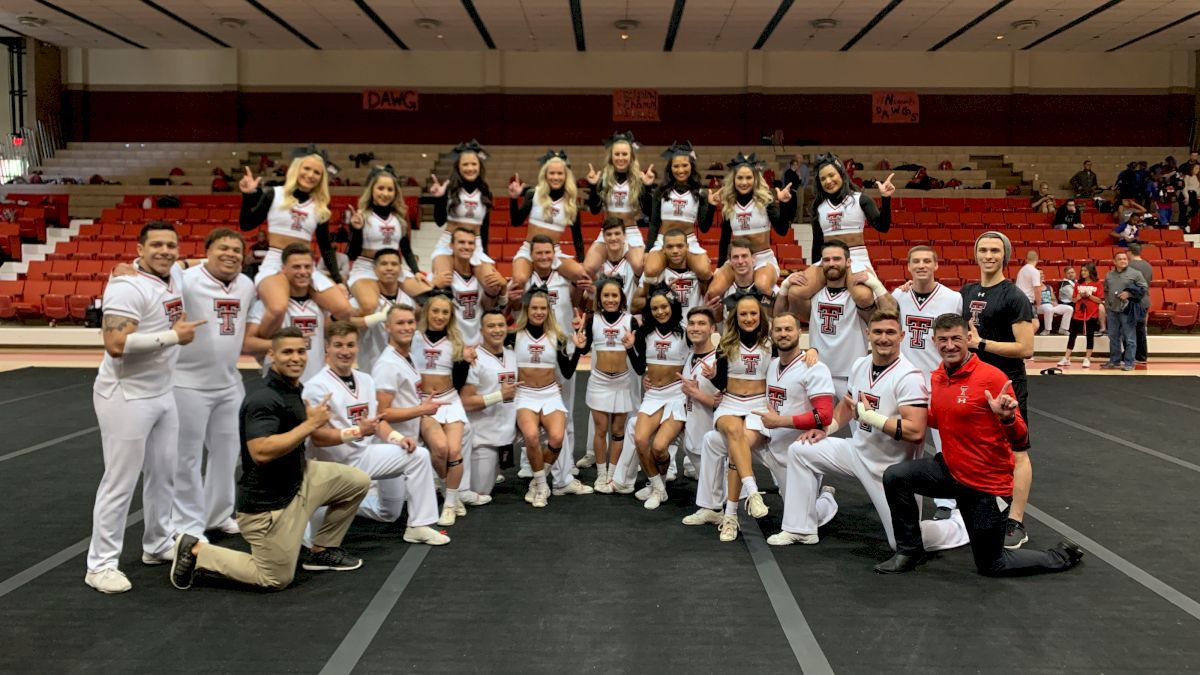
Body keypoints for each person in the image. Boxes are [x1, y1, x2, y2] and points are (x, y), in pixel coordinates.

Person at [875, 313, 1084, 576]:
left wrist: (1007, 418)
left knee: (992, 564)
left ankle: (1060, 556)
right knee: (897, 477)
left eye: (956, 339)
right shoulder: (939, 376)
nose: (949, 345)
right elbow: (942, 418)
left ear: (968, 339)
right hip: (951, 472)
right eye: (943, 340)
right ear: (933, 342)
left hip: (986, 486)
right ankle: (909, 551)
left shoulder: (991, 378)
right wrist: (899, 413)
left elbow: (1020, 439)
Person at [168, 328, 373, 592]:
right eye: (287, 352)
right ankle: (196, 550)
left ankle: (322, 550)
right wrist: (310, 425)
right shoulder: (264, 398)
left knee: (356, 481)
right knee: (275, 578)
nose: (296, 358)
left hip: (299, 480)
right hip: (268, 506)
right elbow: (261, 452)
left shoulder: (293, 388)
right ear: (271, 355)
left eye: (300, 351)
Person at [768, 310, 968, 552]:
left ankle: (958, 526)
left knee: (902, 541)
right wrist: (826, 430)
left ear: (902, 336)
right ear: (868, 334)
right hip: (857, 451)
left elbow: (915, 431)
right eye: (878, 332)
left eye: (890, 332)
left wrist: (871, 417)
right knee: (801, 449)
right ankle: (800, 529)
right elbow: (846, 403)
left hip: (890, 469)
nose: (883, 338)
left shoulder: (909, 376)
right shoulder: (861, 364)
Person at [85, 222, 205, 594]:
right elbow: (115, 343)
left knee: (163, 473)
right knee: (120, 481)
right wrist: (174, 336)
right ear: (139, 248)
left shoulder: (175, 276)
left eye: (171, 244)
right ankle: (100, 564)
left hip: (161, 392)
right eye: (156, 245)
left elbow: (188, 263)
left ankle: (157, 543)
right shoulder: (126, 285)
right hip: (126, 395)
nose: (165, 251)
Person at [302, 321, 449, 546]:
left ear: (357, 347)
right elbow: (318, 438)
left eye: (350, 345)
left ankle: (419, 526)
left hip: (362, 455)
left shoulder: (366, 380)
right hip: (331, 466)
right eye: (338, 345)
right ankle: (323, 508)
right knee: (311, 542)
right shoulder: (316, 386)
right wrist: (356, 431)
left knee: (417, 457)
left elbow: (377, 422)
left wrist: (398, 438)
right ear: (327, 348)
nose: (345, 351)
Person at [172, 229, 258, 541]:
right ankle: (187, 523)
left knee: (228, 451)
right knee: (187, 457)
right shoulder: (187, 279)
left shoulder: (246, 284)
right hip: (187, 382)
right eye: (223, 248)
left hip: (228, 382)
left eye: (237, 250)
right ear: (206, 250)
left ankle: (218, 514)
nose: (230, 254)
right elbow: (157, 271)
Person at [960, 231, 1035, 549]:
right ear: (975, 254)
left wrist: (982, 344)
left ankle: (1016, 522)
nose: (988, 255)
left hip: (1006, 384)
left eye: (994, 250)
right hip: (975, 383)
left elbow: (1026, 348)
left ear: (1005, 255)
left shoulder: (1014, 296)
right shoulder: (966, 291)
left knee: (1016, 452)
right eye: (983, 250)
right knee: (978, 450)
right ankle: (986, 510)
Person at [238, 147, 353, 338]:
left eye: (317, 172)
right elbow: (246, 224)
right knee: (277, 309)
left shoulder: (320, 206)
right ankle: (266, 347)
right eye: (306, 169)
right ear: (296, 168)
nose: (311, 175)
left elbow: (325, 246)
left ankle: (319, 342)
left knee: (345, 310)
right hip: (276, 262)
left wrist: (338, 280)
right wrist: (248, 195)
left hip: (306, 266)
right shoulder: (273, 194)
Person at [890, 245, 963, 520]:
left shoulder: (952, 298)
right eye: (916, 261)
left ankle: (947, 501)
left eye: (926, 261)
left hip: (939, 379)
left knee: (945, 441)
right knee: (901, 440)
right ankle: (899, 491)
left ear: (936, 265)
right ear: (908, 267)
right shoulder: (899, 295)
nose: (921, 265)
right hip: (906, 380)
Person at [699, 292, 774, 541]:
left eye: (753, 313)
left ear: (760, 315)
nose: (749, 317)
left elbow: (789, 360)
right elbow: (722, 383)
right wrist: (713, 377)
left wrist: (813, 350)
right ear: (736, 317)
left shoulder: (770, 342)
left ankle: (730, 515)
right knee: (733, 432)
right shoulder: (727, 342)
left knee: (736, 449)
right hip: (730, 403)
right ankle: (753, 493)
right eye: (743, 314)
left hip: (757, 405)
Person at [783, 153, 893, 311]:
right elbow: (817, 244)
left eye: (831, 175)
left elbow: (883, 227)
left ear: (841, 173)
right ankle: (820, 323)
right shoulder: (818, 207)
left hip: (855, 258)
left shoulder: (861, 199)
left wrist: (886, 199)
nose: (828, 181)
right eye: (823, 179)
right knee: (795, 293)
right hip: (828, 260)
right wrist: (814, 269)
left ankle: (864, 329)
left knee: (863, 296)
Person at [511, 288, 587, 508]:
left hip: (550, 394)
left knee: (556, 438)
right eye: (534, 308)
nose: (538, 312)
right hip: (525, 395)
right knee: (532, 436)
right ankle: (542, 485)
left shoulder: (559, 338)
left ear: (548, 310)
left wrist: (580, 351)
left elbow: (568, 372)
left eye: (543, 308)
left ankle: (537, 481)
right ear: (527, 309)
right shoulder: (514, 336)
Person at [411, 292, 476, 526]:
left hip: (450, 401)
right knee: (439, 449)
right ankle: (448, 486)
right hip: (425, 405)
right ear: (427, 313)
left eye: (445, 312)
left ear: (450, 317)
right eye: (435, 311)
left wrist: (464, 362)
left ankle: (450, 503)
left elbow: (458, 384)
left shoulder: (456, 342)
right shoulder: (414, 339)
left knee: (454, 451)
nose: (439, 316)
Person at [781, 240, 876, 400]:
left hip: (852, 373)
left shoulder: (858, 297)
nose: (831, 263)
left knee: (860, 424)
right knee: (818, 423)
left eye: (836, 259)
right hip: (818, 371)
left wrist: (876, 285)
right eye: (826, 260)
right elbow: (785, 312)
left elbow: (878, 316)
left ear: (848, 262)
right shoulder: (814, 295)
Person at [574, 277, 637, 496]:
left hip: (621, 381)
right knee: (600, 430)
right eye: (606, 295)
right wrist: (580, 347)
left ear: (621, 298)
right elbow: (583, 349)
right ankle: (601, 472)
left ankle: (613, 473)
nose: (610, 299)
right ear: (599, 299)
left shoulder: (631, 321)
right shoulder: (593, 320)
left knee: (618, 431)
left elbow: (639, 357)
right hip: (599, 381)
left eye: (614, 295)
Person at [704, 153, 793, 303]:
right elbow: (724, 239)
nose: (744, 182)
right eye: (740, 178)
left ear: (755, 179)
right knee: (713, 292)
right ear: (733, 179)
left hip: (763, 259)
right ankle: (722, 326)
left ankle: (778, 309)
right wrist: (719, 266)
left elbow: (782, 230)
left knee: (762, 287)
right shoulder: (729, 205)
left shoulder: (766, 201)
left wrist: (784, 205)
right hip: (738, 260)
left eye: (748, 178)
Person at [346, 164, 430, 317]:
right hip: (366, 269)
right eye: (380, 188)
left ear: (395, 193)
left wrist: (416, 271)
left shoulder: (399, 219)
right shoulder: (361, 215)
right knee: (370, 306)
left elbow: (406, 249)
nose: (385, 193)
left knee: (431, 299)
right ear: (372, 190)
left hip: (393, 269)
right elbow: (352, 254)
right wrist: (356, 230)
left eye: (390, 189)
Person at [427, 140, 505, 292]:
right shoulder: (450, 188)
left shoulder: (485, 192)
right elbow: (439, 221)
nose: (470, 168)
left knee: (492, 285)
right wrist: (439, 198)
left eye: (474, 164)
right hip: (448, 244)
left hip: (474, 245)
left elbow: (485, 228)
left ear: (479, 166)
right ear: (458, 167)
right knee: (444, 281)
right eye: (465, 165)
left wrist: (484, 255)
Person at [246, 244, 327, 384]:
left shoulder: (322, 305)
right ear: (283, 269)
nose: (303, 272)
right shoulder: (266, 305)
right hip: (279, 386)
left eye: (307, 267)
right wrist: (283, 343)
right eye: (296, 267)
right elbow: (247, 344)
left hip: (316, 384)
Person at [508, 150, 589, 290]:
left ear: (566, 176)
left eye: (559, 173)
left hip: (554, 252)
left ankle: (574, 309)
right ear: (545, 175)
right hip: (529, 250)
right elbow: (516, 221)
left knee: (582, 276)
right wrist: (514, 199)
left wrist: (581, 261)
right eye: (552, 173)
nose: (555, 177)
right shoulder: (533, 194)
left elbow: (577, 235)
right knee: (519, 280)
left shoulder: (570, 203)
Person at [461, 308, 519, 498]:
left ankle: (550, 482)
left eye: (501, 325)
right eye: (491, 326)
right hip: (483, 437)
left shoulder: (512, 354)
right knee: (481, 491)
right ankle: (444, 479)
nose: (497, 330)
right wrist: (498, 396)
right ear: (481, 330)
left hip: (510, 431)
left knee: (551, 430)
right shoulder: (475, 358)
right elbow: (466, 402)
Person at [642, 141, 716, 285]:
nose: (680, 170)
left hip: (688, 242)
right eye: (676, 166)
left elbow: (704, 228)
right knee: (650, 270)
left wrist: (711, 206)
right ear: (670, 168)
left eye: (684, 165)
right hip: (664, 241)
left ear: (691, 166)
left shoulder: (700, 193)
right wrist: (648, 249)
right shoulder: (661, 191)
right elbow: (654, 222)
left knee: (705, 272)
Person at [583, 131, 652, 278]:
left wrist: (647, 187)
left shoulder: (639, 179)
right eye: (617, 154)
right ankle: (597, 296)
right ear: (611, 157)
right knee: (588, 268)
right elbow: (595, 210)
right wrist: (592, 186)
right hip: (608, 232)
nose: (621, 158)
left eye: (624, 154)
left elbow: (648, 211)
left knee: (640, 267)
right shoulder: (603, 179)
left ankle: (636, 299)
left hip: (631, 231)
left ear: (631, 156)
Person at [436, 227, 503, 346]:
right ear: (451, 245)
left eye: (471, 243)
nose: (466, 247)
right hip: (452, 344)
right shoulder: (442, 275)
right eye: (461, 242)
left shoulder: (483, 275)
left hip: (479, 343)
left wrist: (501, 288)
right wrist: (433, 285)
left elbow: (489, 307)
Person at [352, 248, 413, 374]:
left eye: (394, 264)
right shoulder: (363, 300)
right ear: (375, 269)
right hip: (369, 367)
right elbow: (344, 323)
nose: (389, 268)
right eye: (384, 264)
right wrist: (376, 318)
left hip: (401, 369)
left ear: (400, 269)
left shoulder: (408, 300)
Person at [1101, 251, 1148, 372]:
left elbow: (1144, 288)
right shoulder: (1109, 275)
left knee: (1130, 337)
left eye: (1125, 259)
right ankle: (1114, 361)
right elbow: (1106, 290)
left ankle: (1129, 362)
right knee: (1113, 336)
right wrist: (1107, 304)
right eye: (1120, 259)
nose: (1123, 261)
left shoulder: (1136, 274)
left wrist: (1129, 293)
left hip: (1128, 310)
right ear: (1114, 262)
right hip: (1112, 310)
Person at [1058, 264, 1104, 369]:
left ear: (1091, 271)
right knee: (1072, 335)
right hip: (1078, 313)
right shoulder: (1078, 284)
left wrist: (1089, 296)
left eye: (1085, 270)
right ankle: (1066, 358)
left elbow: (1100, 300)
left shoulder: (1098, 284)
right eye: (1082, 270)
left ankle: (1087, 358)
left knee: (1090, 336)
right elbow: (1073, 300)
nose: (1083, 272)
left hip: (1091, 314)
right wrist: (1080, 296)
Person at [1127, 243, 1153, 365]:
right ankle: (1141, 355)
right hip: (1145, 299)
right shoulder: (1148, 265)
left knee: (1130, 329)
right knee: (1141, 329)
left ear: (1130, 252)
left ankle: (1131, 355)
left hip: (1133, 300)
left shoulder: (1129, 265)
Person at [1014, 250, 1042, 332]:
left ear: (1026, 259)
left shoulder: (1022, 270)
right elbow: (1037, 289)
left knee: (1024, 325)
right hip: (1027, 302)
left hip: (1018, 300)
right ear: (1037, 259)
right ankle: (1024, 342)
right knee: (1035, 325)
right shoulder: (1034, 271)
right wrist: (1039, 304)